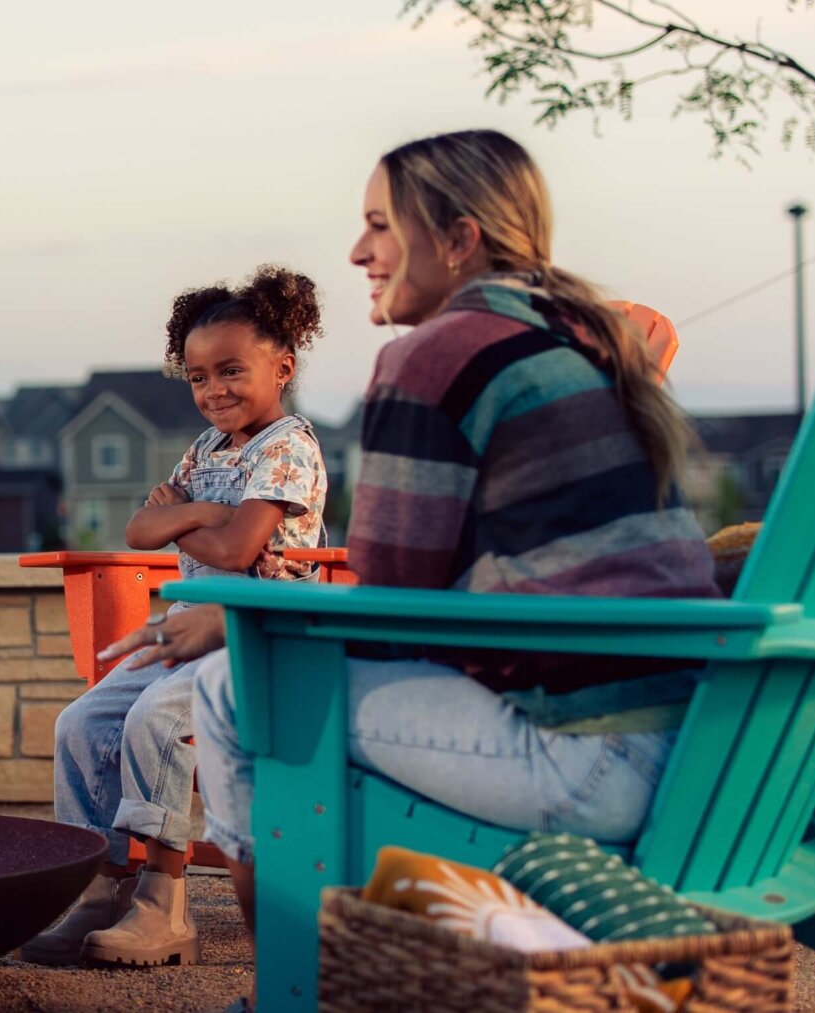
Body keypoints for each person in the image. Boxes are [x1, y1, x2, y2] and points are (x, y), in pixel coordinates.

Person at [101, 130, 712, 972]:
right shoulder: (587, 336)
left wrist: (239, 621)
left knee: (235, 690)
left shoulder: (433, 355)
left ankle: (292, 981)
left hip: (581, 752)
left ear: (459, 239)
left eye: (381, 226)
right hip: (690, 739)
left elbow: (388, 602)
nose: (359, 251)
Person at [24, 267, 328, 968]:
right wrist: (195, 513)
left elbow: (237, 548)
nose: (213, 390)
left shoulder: (287, 448)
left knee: (155, 719)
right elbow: (138, 530)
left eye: (230, 371)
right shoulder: (208, 450)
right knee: (81, 722)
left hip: (260, 639)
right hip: (185, 632)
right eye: (197, 377)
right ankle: (104, 889)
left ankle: (165, 905)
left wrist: (180, 519)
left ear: (280, 366)